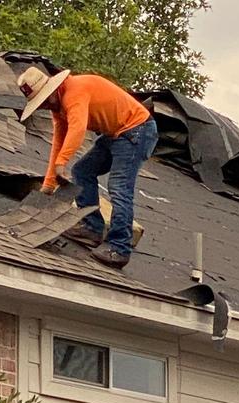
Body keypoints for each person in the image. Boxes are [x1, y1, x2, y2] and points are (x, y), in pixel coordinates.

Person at [17, 66, 158, 268]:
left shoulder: (74, 92)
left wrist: (61, 162)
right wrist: (48, 184)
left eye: (45, 101)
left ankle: (119, 248)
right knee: (82, 172)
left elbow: (78, 128)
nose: (45, 107)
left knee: (119, 187)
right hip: (115, 133)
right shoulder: (58, 107)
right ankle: (91, 228)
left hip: (136, 130)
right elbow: (59, 141)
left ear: (52, 90)